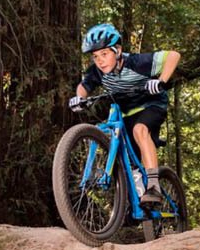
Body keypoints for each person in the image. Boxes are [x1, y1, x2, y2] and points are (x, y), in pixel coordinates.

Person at [70, 23, 180, 207]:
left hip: (151, 105)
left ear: (118, 51)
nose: (100, 61)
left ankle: (154, 186)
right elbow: (84, 86)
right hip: (126, 112)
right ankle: (136, 196)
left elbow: (173, 56)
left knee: (139, 130)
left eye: (105, 54)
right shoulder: (97, 72)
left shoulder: (137, 63)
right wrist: (79, 98)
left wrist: (160, 81)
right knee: (117, 143)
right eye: (95, 56)